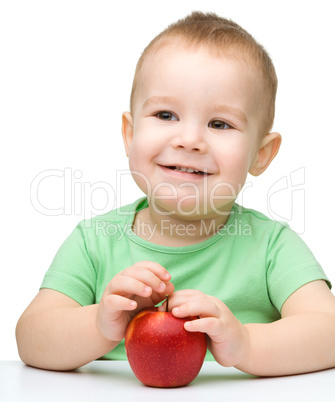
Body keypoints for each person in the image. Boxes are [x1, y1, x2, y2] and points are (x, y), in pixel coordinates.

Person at [16, 11, 335, 376]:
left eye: (220, 123)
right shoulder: (94, 242)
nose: (189, 140)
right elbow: (30, 338)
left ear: (260, 155)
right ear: (129, 134)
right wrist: (99, 325)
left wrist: (246, 343)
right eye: (166, 115)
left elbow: (329, 331)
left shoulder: (271, 246)